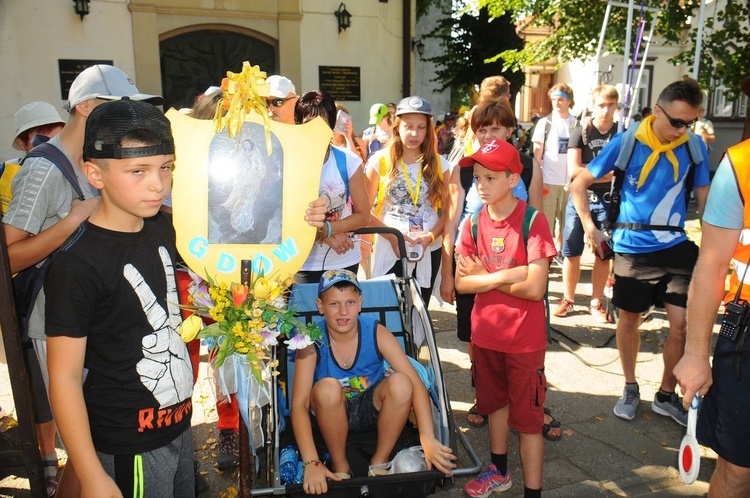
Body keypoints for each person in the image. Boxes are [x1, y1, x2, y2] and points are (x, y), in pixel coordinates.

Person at [3, 64, 162, 497]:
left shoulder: (101, 159)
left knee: (94, 438)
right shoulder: (44, 169)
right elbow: (7, 255)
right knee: (87, 436)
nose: (130, 118)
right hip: (57, 321)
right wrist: (70, 223)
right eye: (119, 107)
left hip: (100, 317)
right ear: (87, 108)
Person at [45, 99, 194, 497]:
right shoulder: (77, 263)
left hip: (179, 426)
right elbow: (64, 377)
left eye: (166, 168)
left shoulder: (164, 227)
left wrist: (306, 218)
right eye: (138, 171)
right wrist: (91, 475)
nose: (158, 184)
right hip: (130, 444)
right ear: (95, 173)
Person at [569, 78, 710, 426]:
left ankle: (665, 394)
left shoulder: (695, 148)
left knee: (681, 326)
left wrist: (715, 248)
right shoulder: (628, 141)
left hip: (677, 247)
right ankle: (630, 386)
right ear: (657, 111)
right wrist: (590, 226)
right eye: (676, 121)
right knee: (629, 320)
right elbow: (579, 183)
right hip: (632, 247)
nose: (682, 130)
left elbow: (706, 202)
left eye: (688, 123)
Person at [291, 269, 456, 494]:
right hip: (329, 412)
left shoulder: (376, 332)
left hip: (372, 409)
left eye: (350, 302)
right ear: (320, 306)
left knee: (402, 382)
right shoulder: (310, 341)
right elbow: (299, 404)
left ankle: (379, 462)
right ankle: (341, 466)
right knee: (327, 388)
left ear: (360, 303)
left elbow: (416, 382)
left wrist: (427, 436)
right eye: (334, 304)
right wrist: (311, 463)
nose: (343, 311)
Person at [455, 139, 556, 498]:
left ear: (514, 179)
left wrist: (486, 276)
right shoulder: (471, 223)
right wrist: (507, 275)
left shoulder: (533, 220)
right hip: (485, 337)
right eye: (477, 178)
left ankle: (533, 491)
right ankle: (499, 470)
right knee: (493, 405)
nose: (480, 185)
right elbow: (462, 283)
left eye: (490, 178)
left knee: (528, 421)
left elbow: (535, 289)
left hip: (524, 342)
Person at [673, 76, 750, 498]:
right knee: (737, 472)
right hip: (746, 338)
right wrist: (696, 353)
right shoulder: (740, 165)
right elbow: (711, 265)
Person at [0, 101, 65, 497]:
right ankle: (46, 458)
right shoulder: (12, 175)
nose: (47, 138)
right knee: (36, 386)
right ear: (25, 141)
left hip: (64, 291)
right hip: (25, 296)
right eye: (39, 133)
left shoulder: (74, 165)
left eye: (54, 129)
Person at [365, 96, 451, 304]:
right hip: (390, 244)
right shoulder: (379, 161)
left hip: (428, 247)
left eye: (421, 127)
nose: (414, 133)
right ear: (397, 126)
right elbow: (363, 210)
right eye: (408, 126)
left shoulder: (441, 164)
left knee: (420, 311)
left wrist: (430, 237)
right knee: (389, 309)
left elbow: (449, 212)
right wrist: (393, 237)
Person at [554, 85, 619, 322]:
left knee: (603, 253)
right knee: (571, 251)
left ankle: (596, 302)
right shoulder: (581, 132)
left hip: (607, 200)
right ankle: (568, 299)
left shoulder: (620, 134)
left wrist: (592, 174)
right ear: (592, 105)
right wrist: (604, 174)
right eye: (601, 104)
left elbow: (620, 171)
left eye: (611, 105)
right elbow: (573, 171)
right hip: (579, 198)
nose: (606, 110)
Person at [293, 91, 371, 283]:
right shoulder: (288, 162)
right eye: (309, 121)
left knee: (343, 313)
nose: (316, 128)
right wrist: (326, 235)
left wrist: (328, 228)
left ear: (331, 124)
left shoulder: (348, 160)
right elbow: (284, 216)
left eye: (322, 121)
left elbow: (363, 215)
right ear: (298, 123)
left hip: (343, 258)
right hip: (300, 261)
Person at [532, 84, 576, 250]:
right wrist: (537, 180)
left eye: (561, 100)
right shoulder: (545, 123)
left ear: (569, 101)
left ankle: (563, 252)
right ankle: (547, 256)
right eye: (554, 100)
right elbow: (537, 154)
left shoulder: (576, 123)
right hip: (548, 181)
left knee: (568, 224)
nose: (557, 103)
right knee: (546, 223)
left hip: (570, 184)